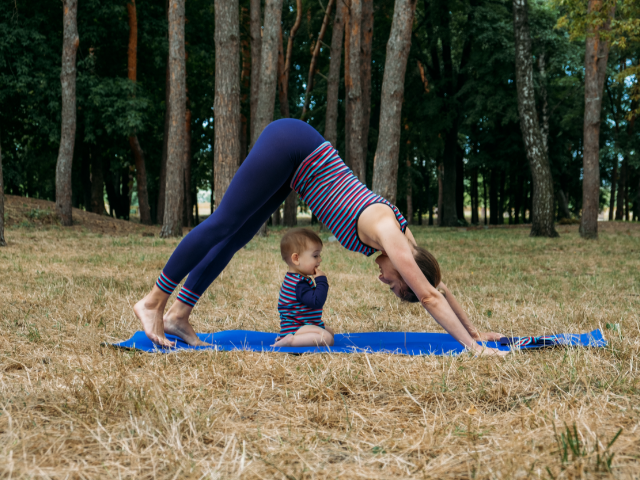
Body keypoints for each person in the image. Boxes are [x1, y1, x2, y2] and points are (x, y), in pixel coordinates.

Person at [134, 118, 507, 356]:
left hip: (297, 168)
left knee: (234, 237)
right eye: (394, 284)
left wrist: (475, 331)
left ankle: (179, 315)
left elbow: (438, 285)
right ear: (403, 268)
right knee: (222, 223)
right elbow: (427, 295)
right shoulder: (391, 236)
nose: (384, 280)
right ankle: (153, 302)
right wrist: (474, 349)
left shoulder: (408, 245)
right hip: (293, 145)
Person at [273, 228, 334, 347]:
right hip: (296, 326)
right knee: (327, 339)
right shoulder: (299, 284)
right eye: (315, 255)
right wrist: (321, 281)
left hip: (302, 323)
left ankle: (290, 337)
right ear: (296, 259)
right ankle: (291, 341)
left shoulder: (296, 278)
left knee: (330, 332)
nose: (320, 260)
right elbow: (317, 302)